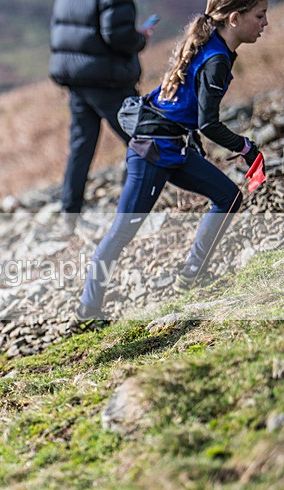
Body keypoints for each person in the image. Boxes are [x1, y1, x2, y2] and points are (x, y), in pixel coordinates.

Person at [73, 0, 268, 330]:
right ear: (234, 19)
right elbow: (208, 123)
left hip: (173, 146)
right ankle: (87, 311)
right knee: (122, 231)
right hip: (152, 151)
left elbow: (184, 106)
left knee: (229, 196)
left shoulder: (211, 43)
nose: (265, 23)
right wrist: (246, 147)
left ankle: (191, 277)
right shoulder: (217, 57)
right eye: (259, 16)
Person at [49, 0, 153, 233]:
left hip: (77, 78)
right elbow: (118, 35)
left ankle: (69, 217)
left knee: (81, 147)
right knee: (145, 139)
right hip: (108, 79)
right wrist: (141, 38)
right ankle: (131, 214)